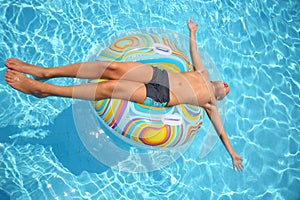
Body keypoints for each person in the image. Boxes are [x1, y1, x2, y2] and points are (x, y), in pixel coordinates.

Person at [4, 18, 243, 171]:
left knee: (109, 89)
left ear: (220, 97)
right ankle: (46, 72)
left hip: (160, 95)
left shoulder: (210, 104)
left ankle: (44, 90)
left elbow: (221, 131)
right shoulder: (201, 71)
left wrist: (232, 153)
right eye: (226, 83)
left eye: (226, 90)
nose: (226, 86)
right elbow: (194, 51)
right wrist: (192, 32)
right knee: (112, 68)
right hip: (159, 75)